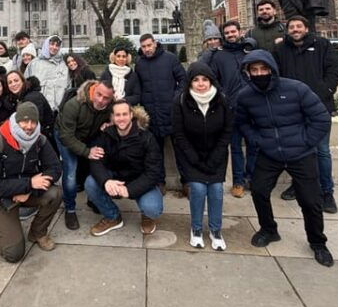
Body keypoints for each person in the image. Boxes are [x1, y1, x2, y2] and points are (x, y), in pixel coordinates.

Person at [235, 50, 334, 267]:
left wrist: (306, 141)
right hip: (269, 153)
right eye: (254, 70)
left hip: (301, 153)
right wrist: (257, 140)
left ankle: (318, 242)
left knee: (310, 201)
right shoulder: (245, 96)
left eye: (263, 69)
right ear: (248, 72)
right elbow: (242, 123)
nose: (259, 74)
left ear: (271, 69)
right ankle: (269, 229)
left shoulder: (296, 89)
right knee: (259, 191)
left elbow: (321, 118)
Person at [0, 102, 62, 262]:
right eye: (25, 121)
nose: (29, 126)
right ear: (16, 121)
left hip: (27, 192)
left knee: (55, 193)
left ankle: (37, 233)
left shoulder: (40, 140)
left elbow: (55, 169)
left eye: (33, 122)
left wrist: (29, 189)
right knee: (13, 253)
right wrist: (27, 184)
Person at [273, 15, 338, 213]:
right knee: (297, 150)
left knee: (321, 151)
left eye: (298, 26)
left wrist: (324, 91)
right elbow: (275, 74)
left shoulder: (322, 45)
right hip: (292, 109)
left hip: (319, 107)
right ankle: (298, 184)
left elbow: (334, 71)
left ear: (306, 28)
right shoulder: (280, 49)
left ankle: (326, 192)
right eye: (291, 27)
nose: (295, 29)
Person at [171, 62, 232, 250]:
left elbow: (227, 131)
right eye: (196, 80)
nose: (200, 84)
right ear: (190, 82)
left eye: (205, 79)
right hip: (191, 155)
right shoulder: (181, 101)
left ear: (211, 80)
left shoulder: (222, 99)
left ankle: (215, 230)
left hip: (216, 154)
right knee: (197, 189)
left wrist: (215, 157)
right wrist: (194, 158)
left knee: (216, 190)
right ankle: (196, 229)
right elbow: (178, 134)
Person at [86, 101, 164, 236]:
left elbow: (153, 172)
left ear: (131, 115)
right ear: (112, 117)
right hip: (115, 177)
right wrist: (106, 181)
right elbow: (96, 161)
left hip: (140, 179)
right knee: (90, 183)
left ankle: (147, 216)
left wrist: (130, 190)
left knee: (153, 208)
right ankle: (113, 217)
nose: (121, 118)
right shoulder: (105, 135)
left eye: (124, 114)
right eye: (117, 115)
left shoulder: (146, 138)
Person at [207, 20, 258, 198]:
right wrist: (223, 96)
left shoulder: (249, 52)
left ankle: (251, 177)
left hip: (252, 106)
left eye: (233, 32)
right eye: (227, 33)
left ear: (239, 32)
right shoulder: (219, 56)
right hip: (231, 108)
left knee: (254, 144)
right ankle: (238, 182)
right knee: (235, 147)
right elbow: (213, 79)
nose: (230, 35)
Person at [55, 79, 114, 229]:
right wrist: (86, 152)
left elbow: (126, 116)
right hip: (66, 135)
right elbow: (66, 136)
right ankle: (70, 209)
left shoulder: (111, 106)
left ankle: (93, 199)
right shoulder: (74, 104)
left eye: (106, 98)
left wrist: (111, 123)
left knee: (96, 164)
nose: (100, 100)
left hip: (89, 135)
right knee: (71, 171)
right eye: (98, 94)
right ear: (94, 89)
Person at [134, 33, 186, 187]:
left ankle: (186, 183)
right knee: (155, 152)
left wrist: (176, 97)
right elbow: (138, 87)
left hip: (172, 112)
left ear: (155, 44)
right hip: (152, 114)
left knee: (181, 150)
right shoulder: (139, 64)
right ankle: (159, 183)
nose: (147, 49)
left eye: (149, 45)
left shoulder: (170, 58)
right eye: (144, 46)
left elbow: (183, 79)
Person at [5, 71, 54, 139]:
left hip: (42, 137)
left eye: (16, 80)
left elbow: (34, 124)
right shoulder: (16, 98)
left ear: (23, 81)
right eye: (10, 82)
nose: (13, 84)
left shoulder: (33, 97)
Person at [25, 35, 69, 111]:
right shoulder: (34, 63)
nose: (54, 47)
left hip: (59, 110)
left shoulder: (64, 65)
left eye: (57, 45)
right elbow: (26, 85)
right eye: (52, 44)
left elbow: (68, 87)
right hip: (39, 108)